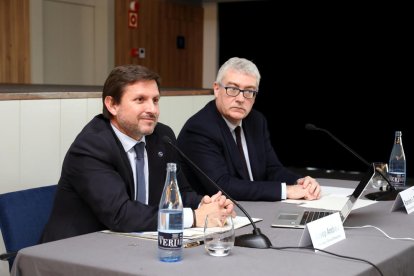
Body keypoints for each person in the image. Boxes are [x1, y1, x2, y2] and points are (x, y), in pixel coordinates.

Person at [40, 64, 234, 243]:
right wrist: (194, 217)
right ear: (112, 105)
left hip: (133, 242)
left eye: (155, 100)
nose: (152, 109)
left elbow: (181, 192)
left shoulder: (162, 136)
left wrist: (207, 205)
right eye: (140, 100)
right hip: (76, 250)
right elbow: (120, 214)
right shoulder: (91, 146)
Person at [177, 57, 321, 201]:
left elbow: (272, 169)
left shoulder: (256, 121)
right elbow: (222, 186)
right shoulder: (200, 128)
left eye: (249, 91)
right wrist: (286, 191)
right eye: (232, 89)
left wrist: (300, 183)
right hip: (219, 215)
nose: (241, 98)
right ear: (216, 89)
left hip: (257, 208)